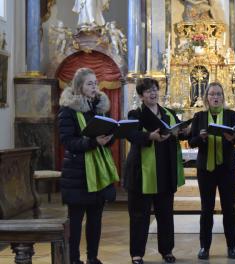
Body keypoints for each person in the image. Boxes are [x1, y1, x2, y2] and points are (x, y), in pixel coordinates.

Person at [123, 78, 188, 264]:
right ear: (141, 95)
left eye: (155, 90)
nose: (153, 93)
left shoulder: (169, 113)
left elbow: (179, 131)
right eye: (148, 91)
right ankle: (137, 253)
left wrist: (184, 131)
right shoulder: (135, 114)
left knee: (165, 214)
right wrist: (148, 136)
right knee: (139, 215)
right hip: (141, 172)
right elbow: (130, 135)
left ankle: (166, 250)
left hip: (165, 171)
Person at [58, 68, 119, 264]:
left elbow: (104, 138)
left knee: (95, 219)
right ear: (79, 87)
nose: (95, 87)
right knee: (75, 221)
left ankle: (93, 257)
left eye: (95, 83)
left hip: (99, 171)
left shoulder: (99, 109)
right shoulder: (68, 110)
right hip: (78, 173)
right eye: (90, 84)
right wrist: (93, 142)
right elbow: (67, 141)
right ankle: (74, 259)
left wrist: (109, 138)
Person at [188, 82, 235, 260]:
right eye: (212, 94)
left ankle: (232, 247)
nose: (215, 97)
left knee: (228, 208)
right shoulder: (199, 117)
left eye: (219, 94)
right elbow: (192, 142)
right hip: (206, 169)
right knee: (206, 209)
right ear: (206, 98)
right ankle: (204, 247)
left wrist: (232, 136)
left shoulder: (231, 115)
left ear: (223, 97)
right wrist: (201, 137)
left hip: (226, 168)